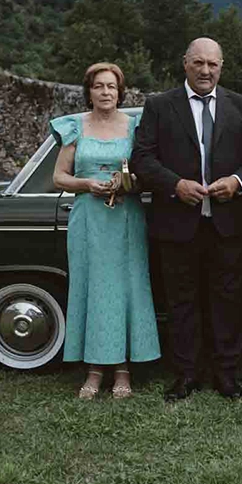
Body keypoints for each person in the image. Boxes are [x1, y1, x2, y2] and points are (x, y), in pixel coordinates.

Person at [130, 38, 242, 401]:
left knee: (228, 300)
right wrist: (175, 185)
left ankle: (226, 374)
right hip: (177, 222)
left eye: (212, 64)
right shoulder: (159, 106)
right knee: (181, 302)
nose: (205, 70)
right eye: (198, 63)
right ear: (185, 63)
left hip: (229, 223)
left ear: (221, 67)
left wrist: (237, 182)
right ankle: (186, 374)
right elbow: (141, 158)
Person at [51, 62, 160, 400]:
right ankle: (94, 370)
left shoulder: (135, 126)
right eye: (99, 86)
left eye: (111, 86)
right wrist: (87, 184)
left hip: (126, 217)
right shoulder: (75, 126)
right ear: (89, 92)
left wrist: (129, 182)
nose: (105, 92)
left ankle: (124, 369)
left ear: (120, 92)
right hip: (88, 219)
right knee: (93, 290)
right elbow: (59, 177)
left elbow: (147, 172)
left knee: (127, 290)